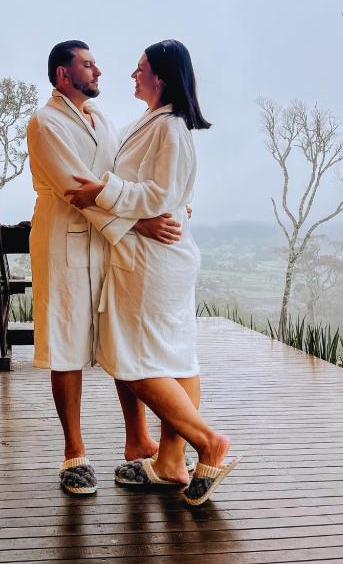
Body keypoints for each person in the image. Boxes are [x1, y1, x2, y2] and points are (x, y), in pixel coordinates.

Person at [66, 39, 241, 505]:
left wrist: (101, 192)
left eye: (140, 67)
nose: (132, 73)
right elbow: (167, 192)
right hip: (157, 255)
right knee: (176, 358)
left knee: (130, 359)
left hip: (153, 260)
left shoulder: (172, 128)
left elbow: (161, 194)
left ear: (160, 76)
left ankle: (209, 443)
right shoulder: (149, 123)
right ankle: (169, 462)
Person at [27, 40, 183, 495]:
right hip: (65, 243)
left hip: (110, 244)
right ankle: (74, 452)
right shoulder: (45, 122)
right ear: (63, 74)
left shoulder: (103, 120)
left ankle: (138, 440)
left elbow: (124, 176)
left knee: (122, 338)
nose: (98, 71)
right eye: (88, 65)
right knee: (67, 343)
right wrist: (139, 223)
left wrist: (172, 204)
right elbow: (75, 188)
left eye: (96, 64)